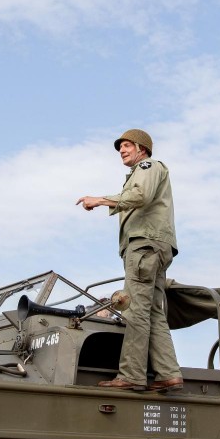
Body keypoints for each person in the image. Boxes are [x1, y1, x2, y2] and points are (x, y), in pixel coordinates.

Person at [77, 128, 182, 393]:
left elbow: (140, 195)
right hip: (155, 246)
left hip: (144, 246)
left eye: (126, 145)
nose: (122, 150)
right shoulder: (147, 171)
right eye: (120, 147)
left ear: (141, 148)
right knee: (153, 313)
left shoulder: (147, 167)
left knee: (133, 308)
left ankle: (132, 375)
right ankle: (169, 374)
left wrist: (100, 200)